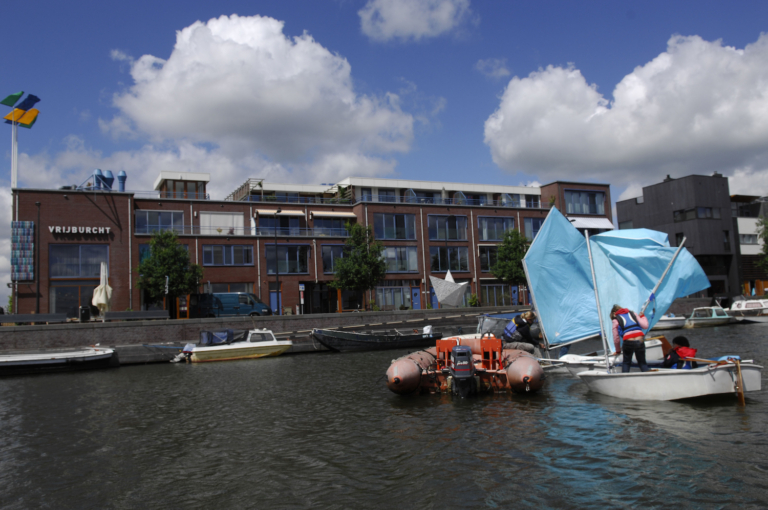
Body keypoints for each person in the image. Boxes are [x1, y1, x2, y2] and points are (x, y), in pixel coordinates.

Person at [611, 304, 650, 373]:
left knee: (626, 362)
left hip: (628, 341)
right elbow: (645, 326)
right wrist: (643, 317)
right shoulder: (633, 314)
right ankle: (649, 379)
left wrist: (618, 350)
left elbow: (616, 337)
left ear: (614, 313)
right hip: (639, 339)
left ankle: (624, 380)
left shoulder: (616, 320)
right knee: (642, 362)